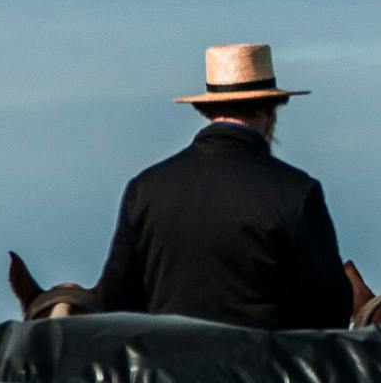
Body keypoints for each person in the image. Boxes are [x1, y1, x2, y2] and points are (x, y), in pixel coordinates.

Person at [90, 44, 356, 329]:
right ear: (270, 111)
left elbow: (116, 301)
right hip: (262, 370)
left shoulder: (144, 189)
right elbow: (330, 310)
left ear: (207, 109)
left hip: (166, 368)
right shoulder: (297, 191)